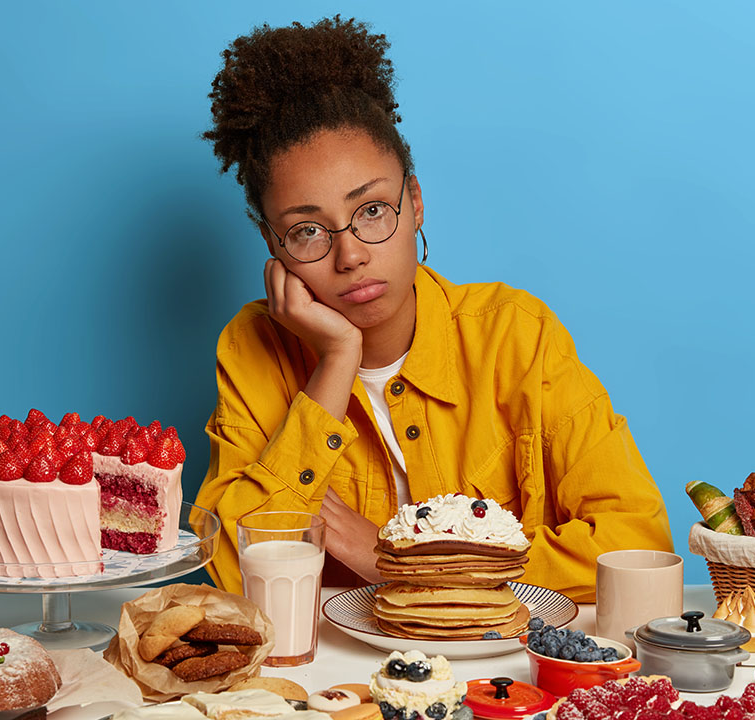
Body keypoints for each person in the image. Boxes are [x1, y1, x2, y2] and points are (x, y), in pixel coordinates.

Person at [191, 16, 670, 602]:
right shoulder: (252, 349)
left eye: (371, 211)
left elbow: (633, 542)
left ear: (414, 203)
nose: (349, 255)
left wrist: (406, 561)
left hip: (503, 674)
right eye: (308, 231)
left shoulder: (515, 336)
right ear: (273, 246)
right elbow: (238, 570)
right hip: (334, 684)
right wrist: (337, 359)